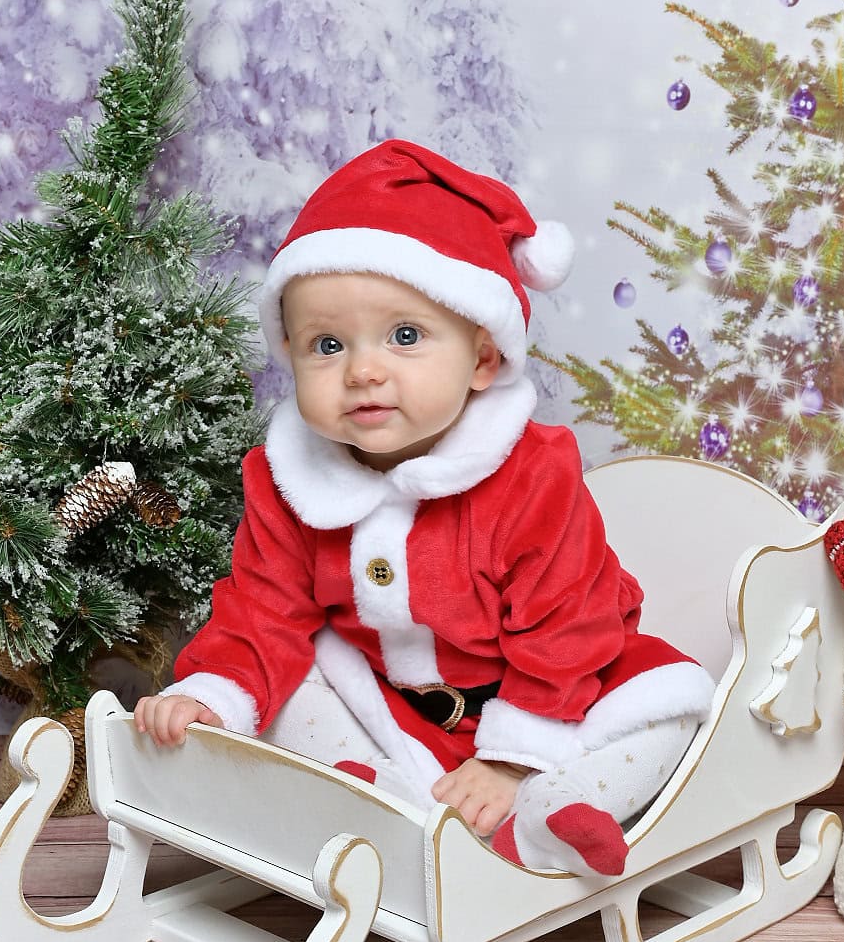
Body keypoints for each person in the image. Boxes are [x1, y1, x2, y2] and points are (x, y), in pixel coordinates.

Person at [134, 139, 715, 875]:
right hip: (398, 709)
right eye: (327, 344)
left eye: (405, 336)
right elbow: (262, 610)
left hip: (551, 692)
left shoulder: (532, 474)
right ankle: (378, 800)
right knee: (288, 682)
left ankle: (550, 814)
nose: (363, 370)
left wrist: (511, 760)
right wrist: (214, 696)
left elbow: (566, 624)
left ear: (481, 358)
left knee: (669, 710)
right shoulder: (286, 480)